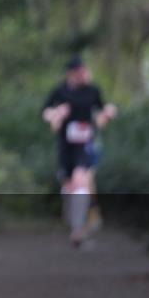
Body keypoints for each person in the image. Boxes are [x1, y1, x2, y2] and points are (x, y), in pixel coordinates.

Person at [41, 56, 117, 246]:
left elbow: (101, 111)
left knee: (80, 180)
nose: (84, 74)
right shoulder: (60, 91)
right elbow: (45, 112)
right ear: (71, 73)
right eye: (80, 71)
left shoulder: (93, 90)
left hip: (85, 142)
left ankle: (77, 231)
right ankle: (73, 218)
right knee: (69, 185)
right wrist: (56, 113)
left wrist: (108, 112)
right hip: (65, 144)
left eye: (85, 70)